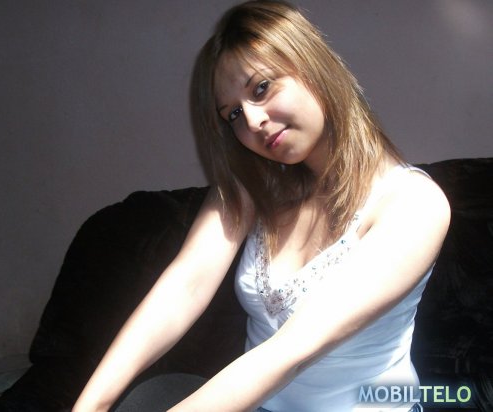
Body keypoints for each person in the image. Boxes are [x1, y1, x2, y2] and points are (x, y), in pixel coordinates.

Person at [73, 1, 450, 411]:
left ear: (313, 67)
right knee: (146, 398)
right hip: (259, 405)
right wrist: (89, 405)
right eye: (233, 114)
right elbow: (186, 284)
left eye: (261, 88)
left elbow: (291, 350)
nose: (251, 122)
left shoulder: (414, 206)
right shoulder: (255, 183)